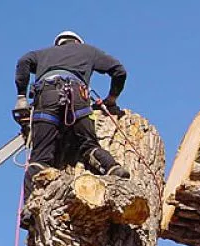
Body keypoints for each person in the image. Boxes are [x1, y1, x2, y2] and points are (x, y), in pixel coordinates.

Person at [14, 30, 130, 229]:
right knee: (88, 145)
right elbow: (119, 71)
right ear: (77, 42)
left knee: (40, 158)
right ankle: (113, 168)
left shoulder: (41, 54)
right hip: (78, 97)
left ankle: (30, 207)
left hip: (46, 97)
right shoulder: (88, 51)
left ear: (59, 43)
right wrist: (111, 99)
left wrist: (21, 97)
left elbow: (23, 62)